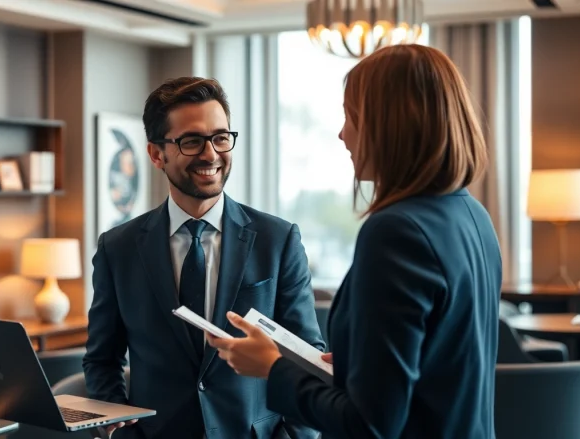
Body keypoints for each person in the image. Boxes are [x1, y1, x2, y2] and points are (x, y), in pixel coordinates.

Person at [207, 44, 502, 439]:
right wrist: (351, 369)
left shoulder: (397, 232)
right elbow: (437, 371)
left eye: (351, 117)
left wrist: (273, 368)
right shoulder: (472, 215)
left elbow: (370, 424)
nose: (343, 134)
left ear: (389, 125)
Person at [83, 76, 325, 439]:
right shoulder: (118, 248)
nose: (211, 153)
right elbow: (102, 360)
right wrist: (116, 431)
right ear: (156, 154)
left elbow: (307, 358)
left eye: (221, 137)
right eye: (192, 141)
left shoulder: (278, 240)